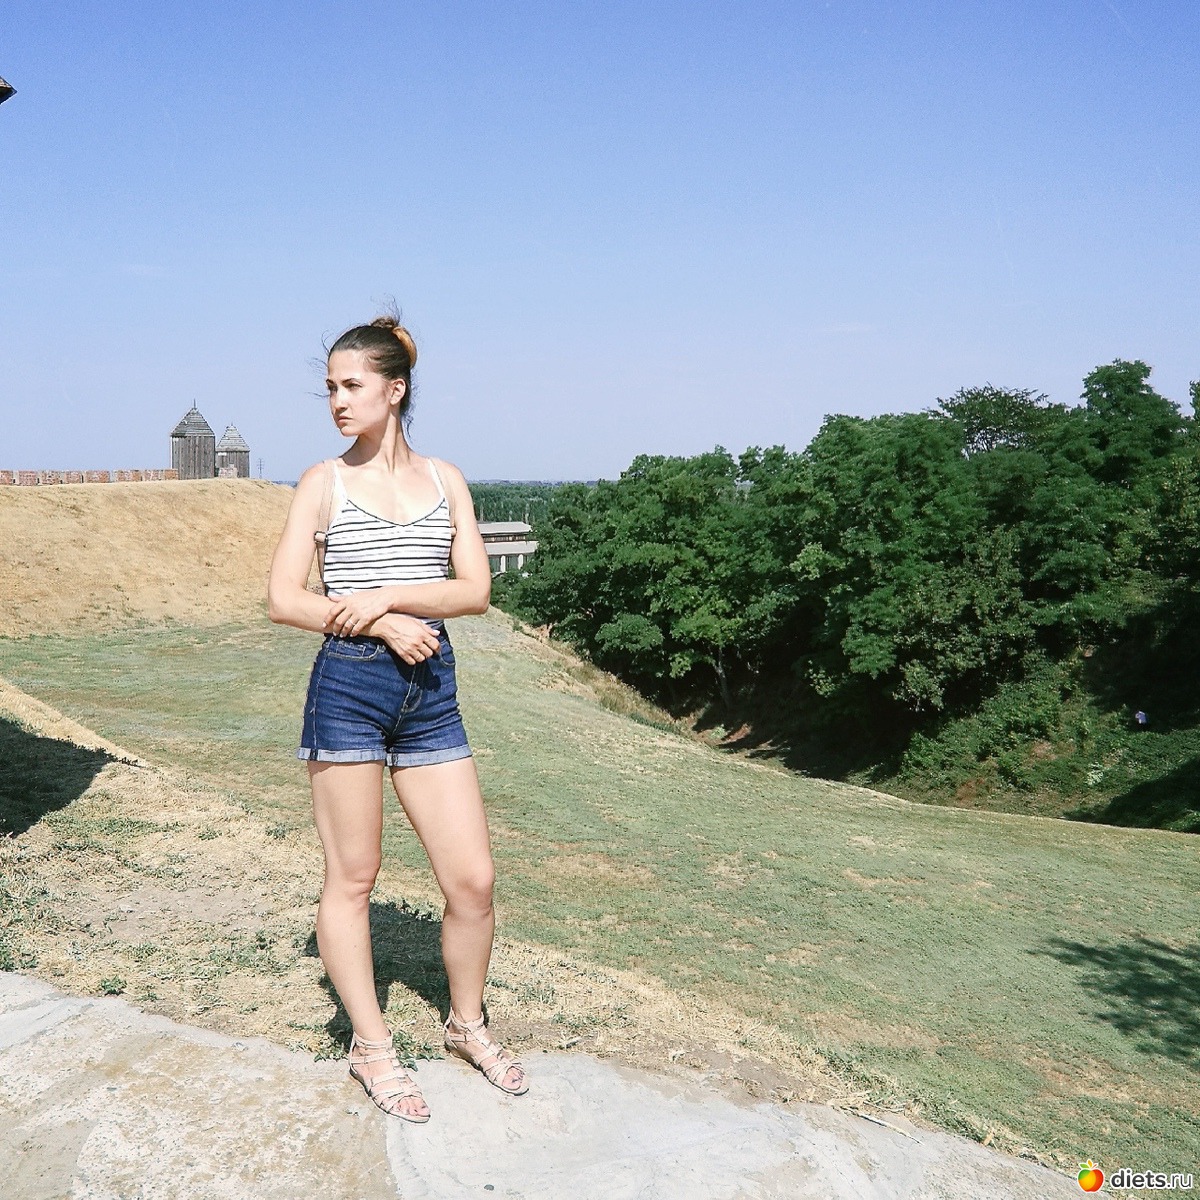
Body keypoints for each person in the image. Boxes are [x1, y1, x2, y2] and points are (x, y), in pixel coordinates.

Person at [267, 315, 526, 1122]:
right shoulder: (323, 482)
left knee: (473, 881)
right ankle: (371, 1046)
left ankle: (465, 1025)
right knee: (354, 877)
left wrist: (387, 596)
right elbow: (283, 599)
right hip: (348, 685)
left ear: (395, 388)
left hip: (430, 690)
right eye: (330, 388)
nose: (337, 402)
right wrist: (377, 622)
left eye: (353, 386)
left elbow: (473, 591)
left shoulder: (446, 479)